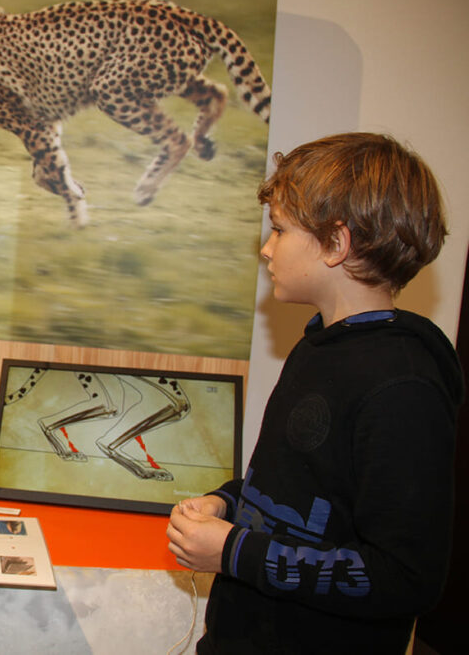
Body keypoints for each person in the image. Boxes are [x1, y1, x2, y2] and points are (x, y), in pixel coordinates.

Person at [166, 133, 464, 653]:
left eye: (279, 230)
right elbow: (293, 493)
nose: (266, 248)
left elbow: (404, 577)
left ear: (335, 244)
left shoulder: (404, 387)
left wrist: (235, 552)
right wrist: (226, 503)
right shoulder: (317, 348)